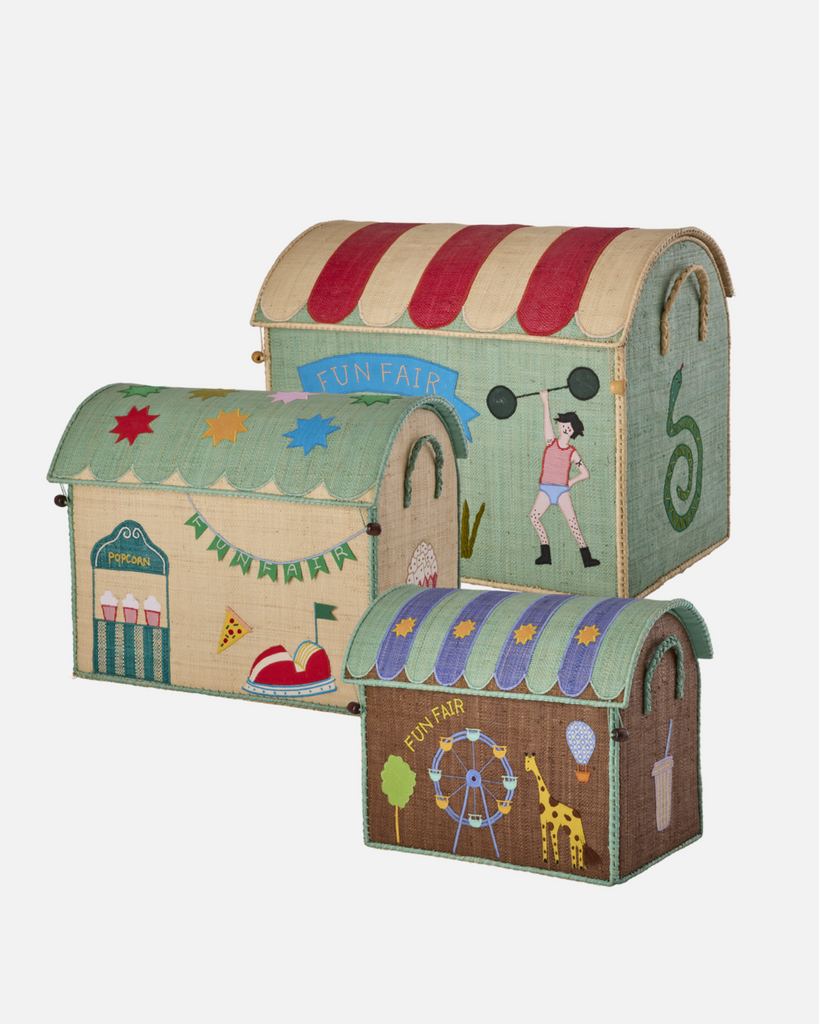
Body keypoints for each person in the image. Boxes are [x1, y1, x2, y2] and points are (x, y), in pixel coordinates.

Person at [529, 389, 600, 568]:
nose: (565, 429)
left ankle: (587, 558)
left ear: (573, 431)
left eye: (569, 427)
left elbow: (585, 473)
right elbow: (547, 425)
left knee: (573, 523)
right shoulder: (550, 442)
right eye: (563, 425)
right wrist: (545, 402)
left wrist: (570, 482)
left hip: (561, 491)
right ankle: (545, 553)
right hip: (545, 488)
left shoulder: (572, 452)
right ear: (560, 426)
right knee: (534, 517)